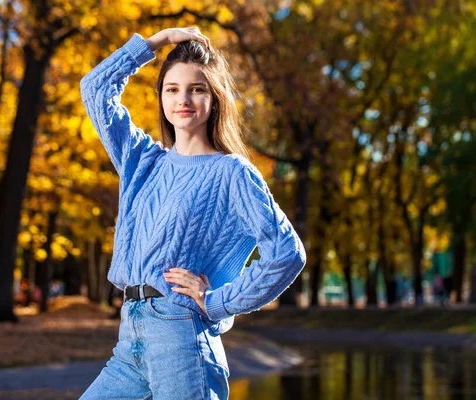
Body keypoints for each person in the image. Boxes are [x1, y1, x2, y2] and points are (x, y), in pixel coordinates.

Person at [78, 27, 306, 400]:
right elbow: (96, 89)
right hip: (130, 336)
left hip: (181, 336)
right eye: (172, 89)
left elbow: (287, 253)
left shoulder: (232, 172)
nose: (183, 99)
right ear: (162, 97)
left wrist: (218, 301)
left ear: (214, 98)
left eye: (196, 89)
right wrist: (156, 41)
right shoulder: (142, 161)